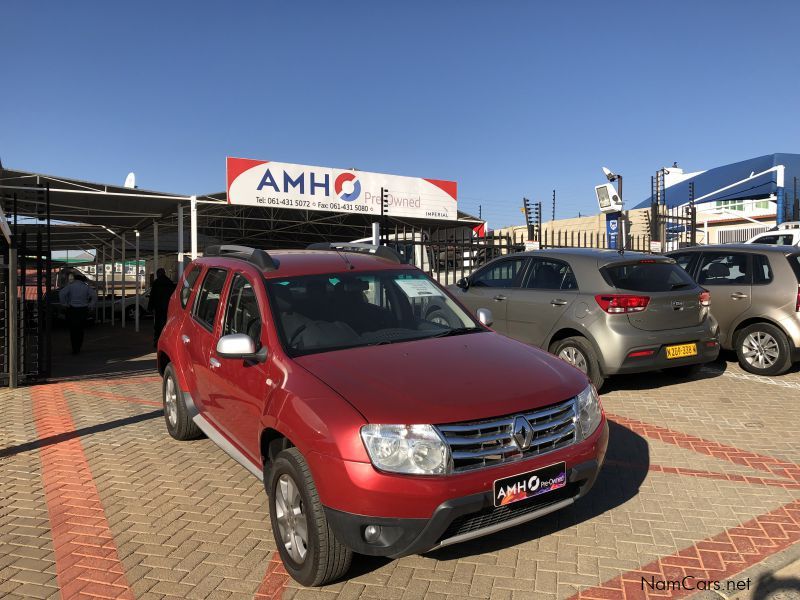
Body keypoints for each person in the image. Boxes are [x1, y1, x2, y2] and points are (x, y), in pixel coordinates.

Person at [58, 272, 98, 354]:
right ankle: (79, 347)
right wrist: (90, 305)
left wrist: (64, 304)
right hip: (83, 310)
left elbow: (61, 293)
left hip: (72, 310)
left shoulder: (70, 286)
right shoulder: (86, 287)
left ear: (75, 279)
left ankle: (74, 348)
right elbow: (94, 296)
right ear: (83, 280)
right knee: (80, 329)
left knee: (73, 330)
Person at [148, 268, 176, 347]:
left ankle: (157, 341)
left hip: (158, 307)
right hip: (167, 307)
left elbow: (152, 296)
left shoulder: (156, 283)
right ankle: (166, 341)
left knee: (157, 325)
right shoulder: (170, 282)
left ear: (158, 274)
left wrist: (150, 307)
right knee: (166, 324)